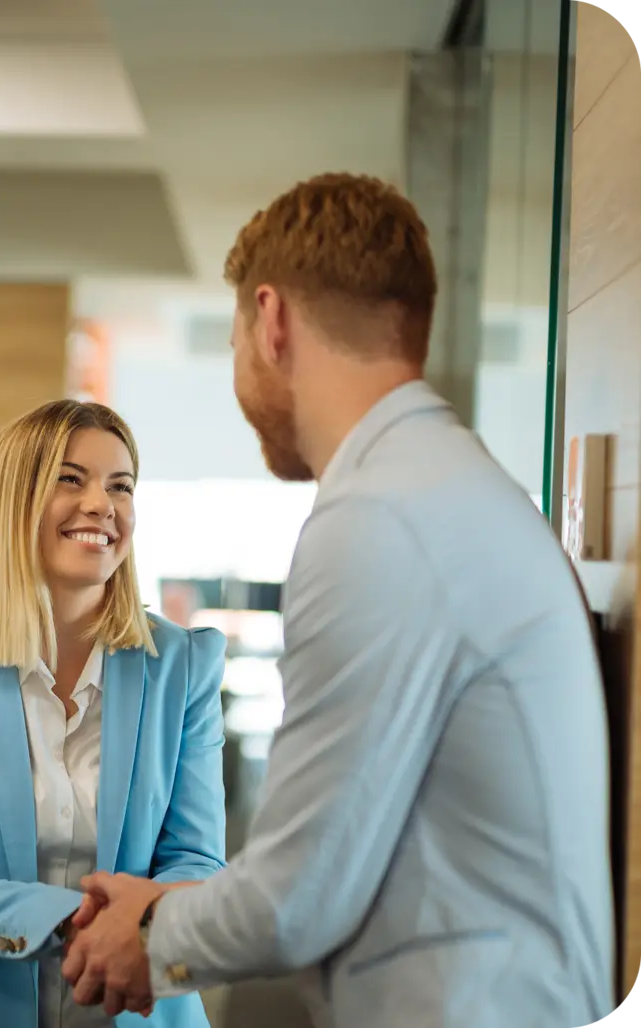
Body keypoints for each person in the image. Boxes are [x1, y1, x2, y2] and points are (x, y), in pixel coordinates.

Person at [60, 174, 615, 1027]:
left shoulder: (378, 521)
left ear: (272, 320)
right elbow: (357, 846)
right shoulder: (446, 489)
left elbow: (298, 896)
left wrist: (154, 928)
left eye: (238, 339)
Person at [0, 400, 227, 1028]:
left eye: (121, 486)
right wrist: (78, 921)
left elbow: (197, 860)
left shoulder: (183, 665)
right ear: (15, 500)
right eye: (72, 478)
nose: (102, 504)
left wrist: (141, 929)